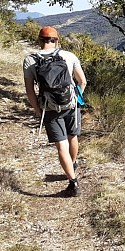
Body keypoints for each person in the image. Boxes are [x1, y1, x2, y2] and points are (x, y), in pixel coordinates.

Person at [24, 26, 87, 197]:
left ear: (39, 40)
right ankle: (71, 166)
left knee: (61, 145)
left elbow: (30, 91)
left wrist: (38, 109)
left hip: (50, 108)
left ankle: (73, 183)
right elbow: (82, 81)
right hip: (71, 105)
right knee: (72, 137)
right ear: (57, 40)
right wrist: (76, 97)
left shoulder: (30, 60)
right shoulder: (69, 56)